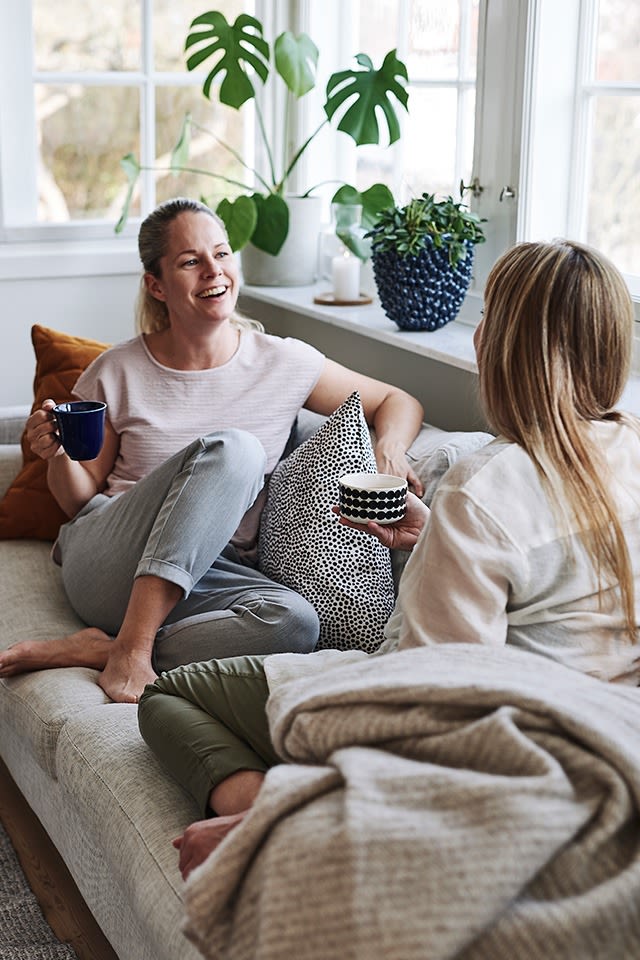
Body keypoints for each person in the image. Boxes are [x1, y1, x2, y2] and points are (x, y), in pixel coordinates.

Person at [137, 237, 640, 880]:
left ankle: (271, 820)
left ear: (506, 346)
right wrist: (436, 536)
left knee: (169, 698)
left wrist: (305, 806)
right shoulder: (621, 451)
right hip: (597, 731)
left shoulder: (483, 489)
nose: (478, 329)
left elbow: (436, 705)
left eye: (488, 315)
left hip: (485, 740)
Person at [0, 197, 425, 703]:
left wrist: (390, 452)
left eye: (221, 254)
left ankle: (105, 647)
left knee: (295, 623)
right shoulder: (116, 371)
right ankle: (131, 651)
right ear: (156, 285)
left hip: (211, 572)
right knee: (237, 451)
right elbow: (77, 501)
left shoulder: (283, 362)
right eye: (190, 261)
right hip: (110, 558)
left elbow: (398, 400)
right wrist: (58, 457)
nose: (213, 271)